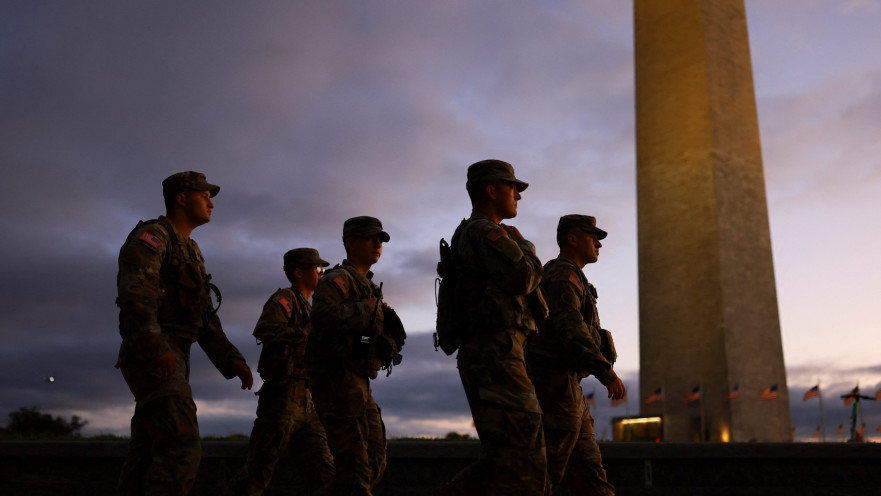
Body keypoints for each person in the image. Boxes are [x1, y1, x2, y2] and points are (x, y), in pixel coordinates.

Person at [115, 171, 254, 495]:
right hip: (153, 351)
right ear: (181, 197)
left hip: (175, 351)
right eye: (204, 196)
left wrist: (229, 357)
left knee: (147, 456)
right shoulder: (153, 236)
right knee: (181, 445)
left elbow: (203, 313)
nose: (211, 204)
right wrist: (154, 345)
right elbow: (136, 295)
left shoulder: (191, 250)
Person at [437, 159, 548, 496]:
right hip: (495, 354)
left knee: (508, 458)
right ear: (491, 190)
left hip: (497, 352)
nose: (518, 195)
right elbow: (523, 277)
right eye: (513, 187)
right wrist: (525, 245)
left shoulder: (475, 232)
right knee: (525, 459)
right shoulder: (486, 231)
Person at [526, 215, 625, 495]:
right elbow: (571, 330)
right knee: (543, 474)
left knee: (591, 474)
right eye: (592, 236)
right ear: (572, 239)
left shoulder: (575, 278)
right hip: (555, 387)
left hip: (569, 388)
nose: (598, 244)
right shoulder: (561, 276)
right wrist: (606, 373)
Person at [226, 248, 335, 495]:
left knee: (324, 473)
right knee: (257, 472)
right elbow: (265, 330)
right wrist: (306, 333)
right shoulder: (285, 299)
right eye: (317, 269)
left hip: (307, 400)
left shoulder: (311, 308)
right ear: (298, 272)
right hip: (282, 397)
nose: (322, 273)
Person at [307, 216, 403, 496]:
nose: (378, 244)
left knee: (374, 462)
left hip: (359, 380)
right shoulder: (337, 280)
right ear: (350, 242)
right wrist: (366, 309)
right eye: (370, 238)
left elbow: (362, 335)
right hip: (337, 381)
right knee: (355, 473)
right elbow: (321, 315)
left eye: (381, 240)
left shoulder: (368, 286)